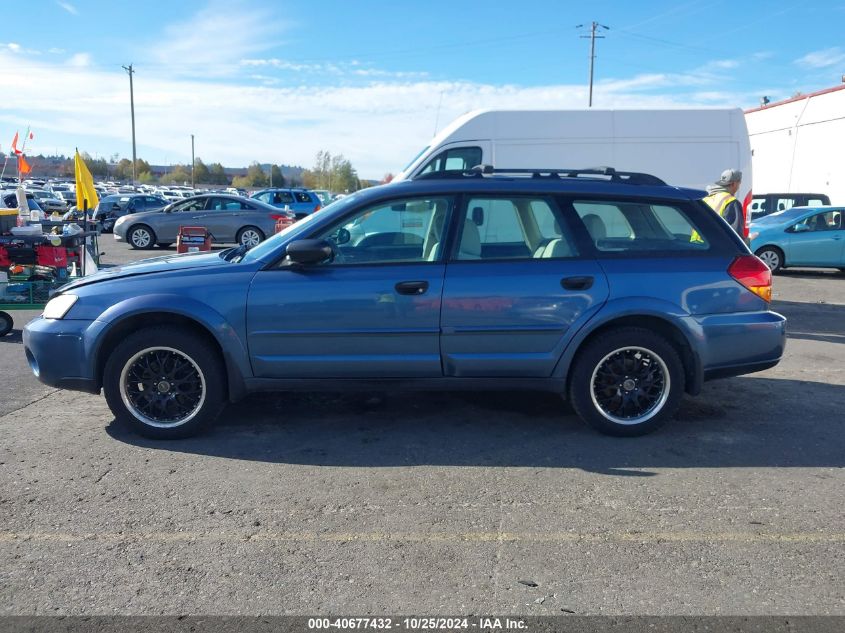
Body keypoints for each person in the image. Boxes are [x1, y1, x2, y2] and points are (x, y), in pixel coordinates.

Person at [703, 169, 745, 237]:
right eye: (739, 183)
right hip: (718, 245)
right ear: (733, 184)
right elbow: (735, 234)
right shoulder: (731, 202)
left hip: (699, 245)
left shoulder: (706, 199)